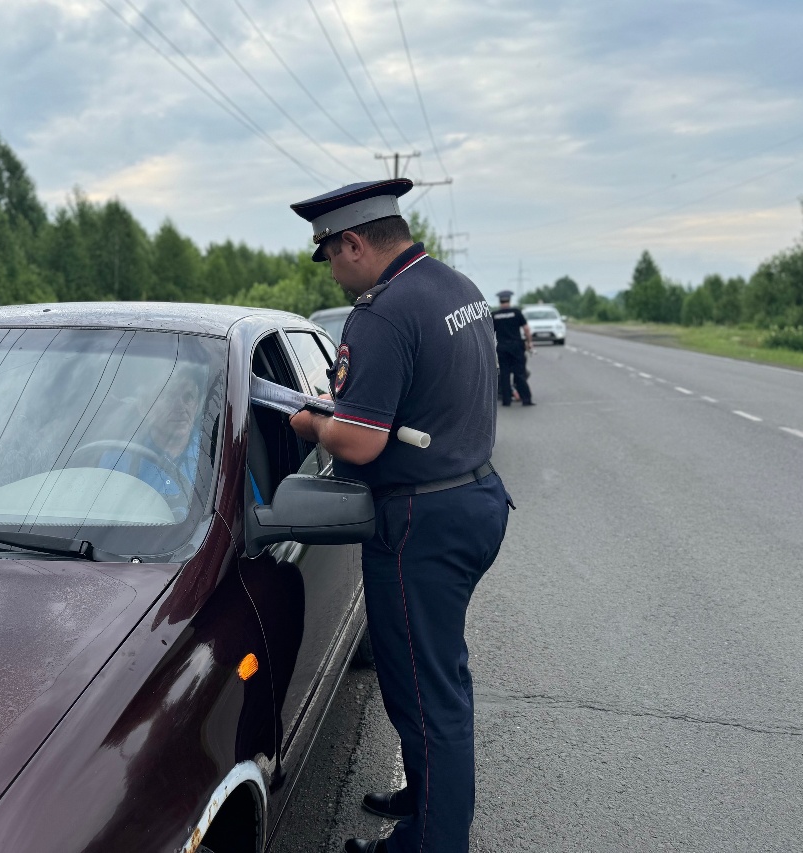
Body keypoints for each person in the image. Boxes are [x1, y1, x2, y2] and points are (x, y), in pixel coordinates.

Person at [287, 179, 513, 853]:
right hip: (473, 497)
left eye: (329, 254)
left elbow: (359, 441)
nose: (331, 268)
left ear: (353, 242)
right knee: (426, 677)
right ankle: (424, 796)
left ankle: (429, 842)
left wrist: (310, 422)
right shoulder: (455, 287)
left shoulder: (381, 313)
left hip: (422, 522)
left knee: (428, 693)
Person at [98, 367, 203, 519]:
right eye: (169, 396)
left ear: (197, 406)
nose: (181, 407)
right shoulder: (117, 459)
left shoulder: (215, 456)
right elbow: (101, 520)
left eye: (188, 397)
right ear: (143, 406)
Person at [491, 291, 534, 406]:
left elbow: (490, 333)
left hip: (502, 348)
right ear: (509, 300)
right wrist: (529, 343)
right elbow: (526, 329)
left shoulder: (495, 315)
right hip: (516, 347)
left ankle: (506, 401)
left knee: (504, 374)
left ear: (500, 301)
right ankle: (526, 400)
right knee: (519, 373)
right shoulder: (516, 313)